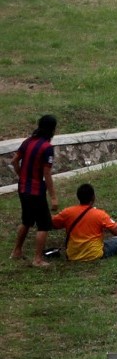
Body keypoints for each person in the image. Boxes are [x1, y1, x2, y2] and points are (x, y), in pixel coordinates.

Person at [10, 115, 58, 268]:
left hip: (23, 188)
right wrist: (53, 197)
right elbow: (47, 173)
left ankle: (16, 251)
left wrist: (21, 175)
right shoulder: (46, 148)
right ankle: (37, 259)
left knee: (27, 220)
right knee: (44, 224)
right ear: (52, 129)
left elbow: (14, 161)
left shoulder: (28, 141)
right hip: (36, 191)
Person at [51, 183, 117, 261]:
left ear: (78, 197)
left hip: (73, 255)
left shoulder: (68, 212)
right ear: (93, 197)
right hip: (95, 254)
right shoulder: (100, 214)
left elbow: (52, 224)